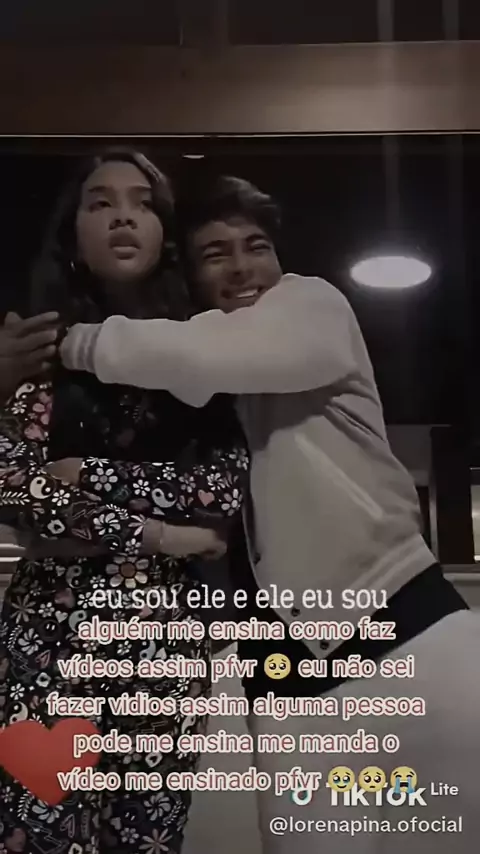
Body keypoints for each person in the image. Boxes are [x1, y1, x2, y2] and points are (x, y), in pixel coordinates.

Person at [60, 174, 480, 854]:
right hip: (285, 678)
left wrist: (71, 342)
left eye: (256, 246)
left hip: (407, 631)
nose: (242, 266)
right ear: (189, 277)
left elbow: (210, 352)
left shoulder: (311, 305)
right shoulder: (183, 394)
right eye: (215, 253)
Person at [0, 155, 248, 854]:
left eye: (142, 203)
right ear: (72, 233)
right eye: (99, 203)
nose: (122, 217)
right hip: (51, 631)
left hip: (169, 638)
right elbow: (17, 488)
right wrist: (159, 534)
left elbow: (220, 490)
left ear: (165, 233)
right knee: (38, 836)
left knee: (146, 840)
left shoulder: (204, 356)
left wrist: (87, 474)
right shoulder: (38, 353)